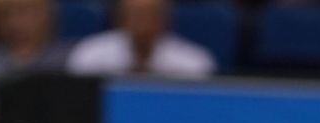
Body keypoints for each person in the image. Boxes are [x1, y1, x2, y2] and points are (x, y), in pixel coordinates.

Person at [66, 0, 216, 79]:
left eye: (151, 16)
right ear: (121, 18)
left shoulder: (193, 62)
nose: (143, 24)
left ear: (165, 20)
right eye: (136, 15)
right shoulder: (90, 54)